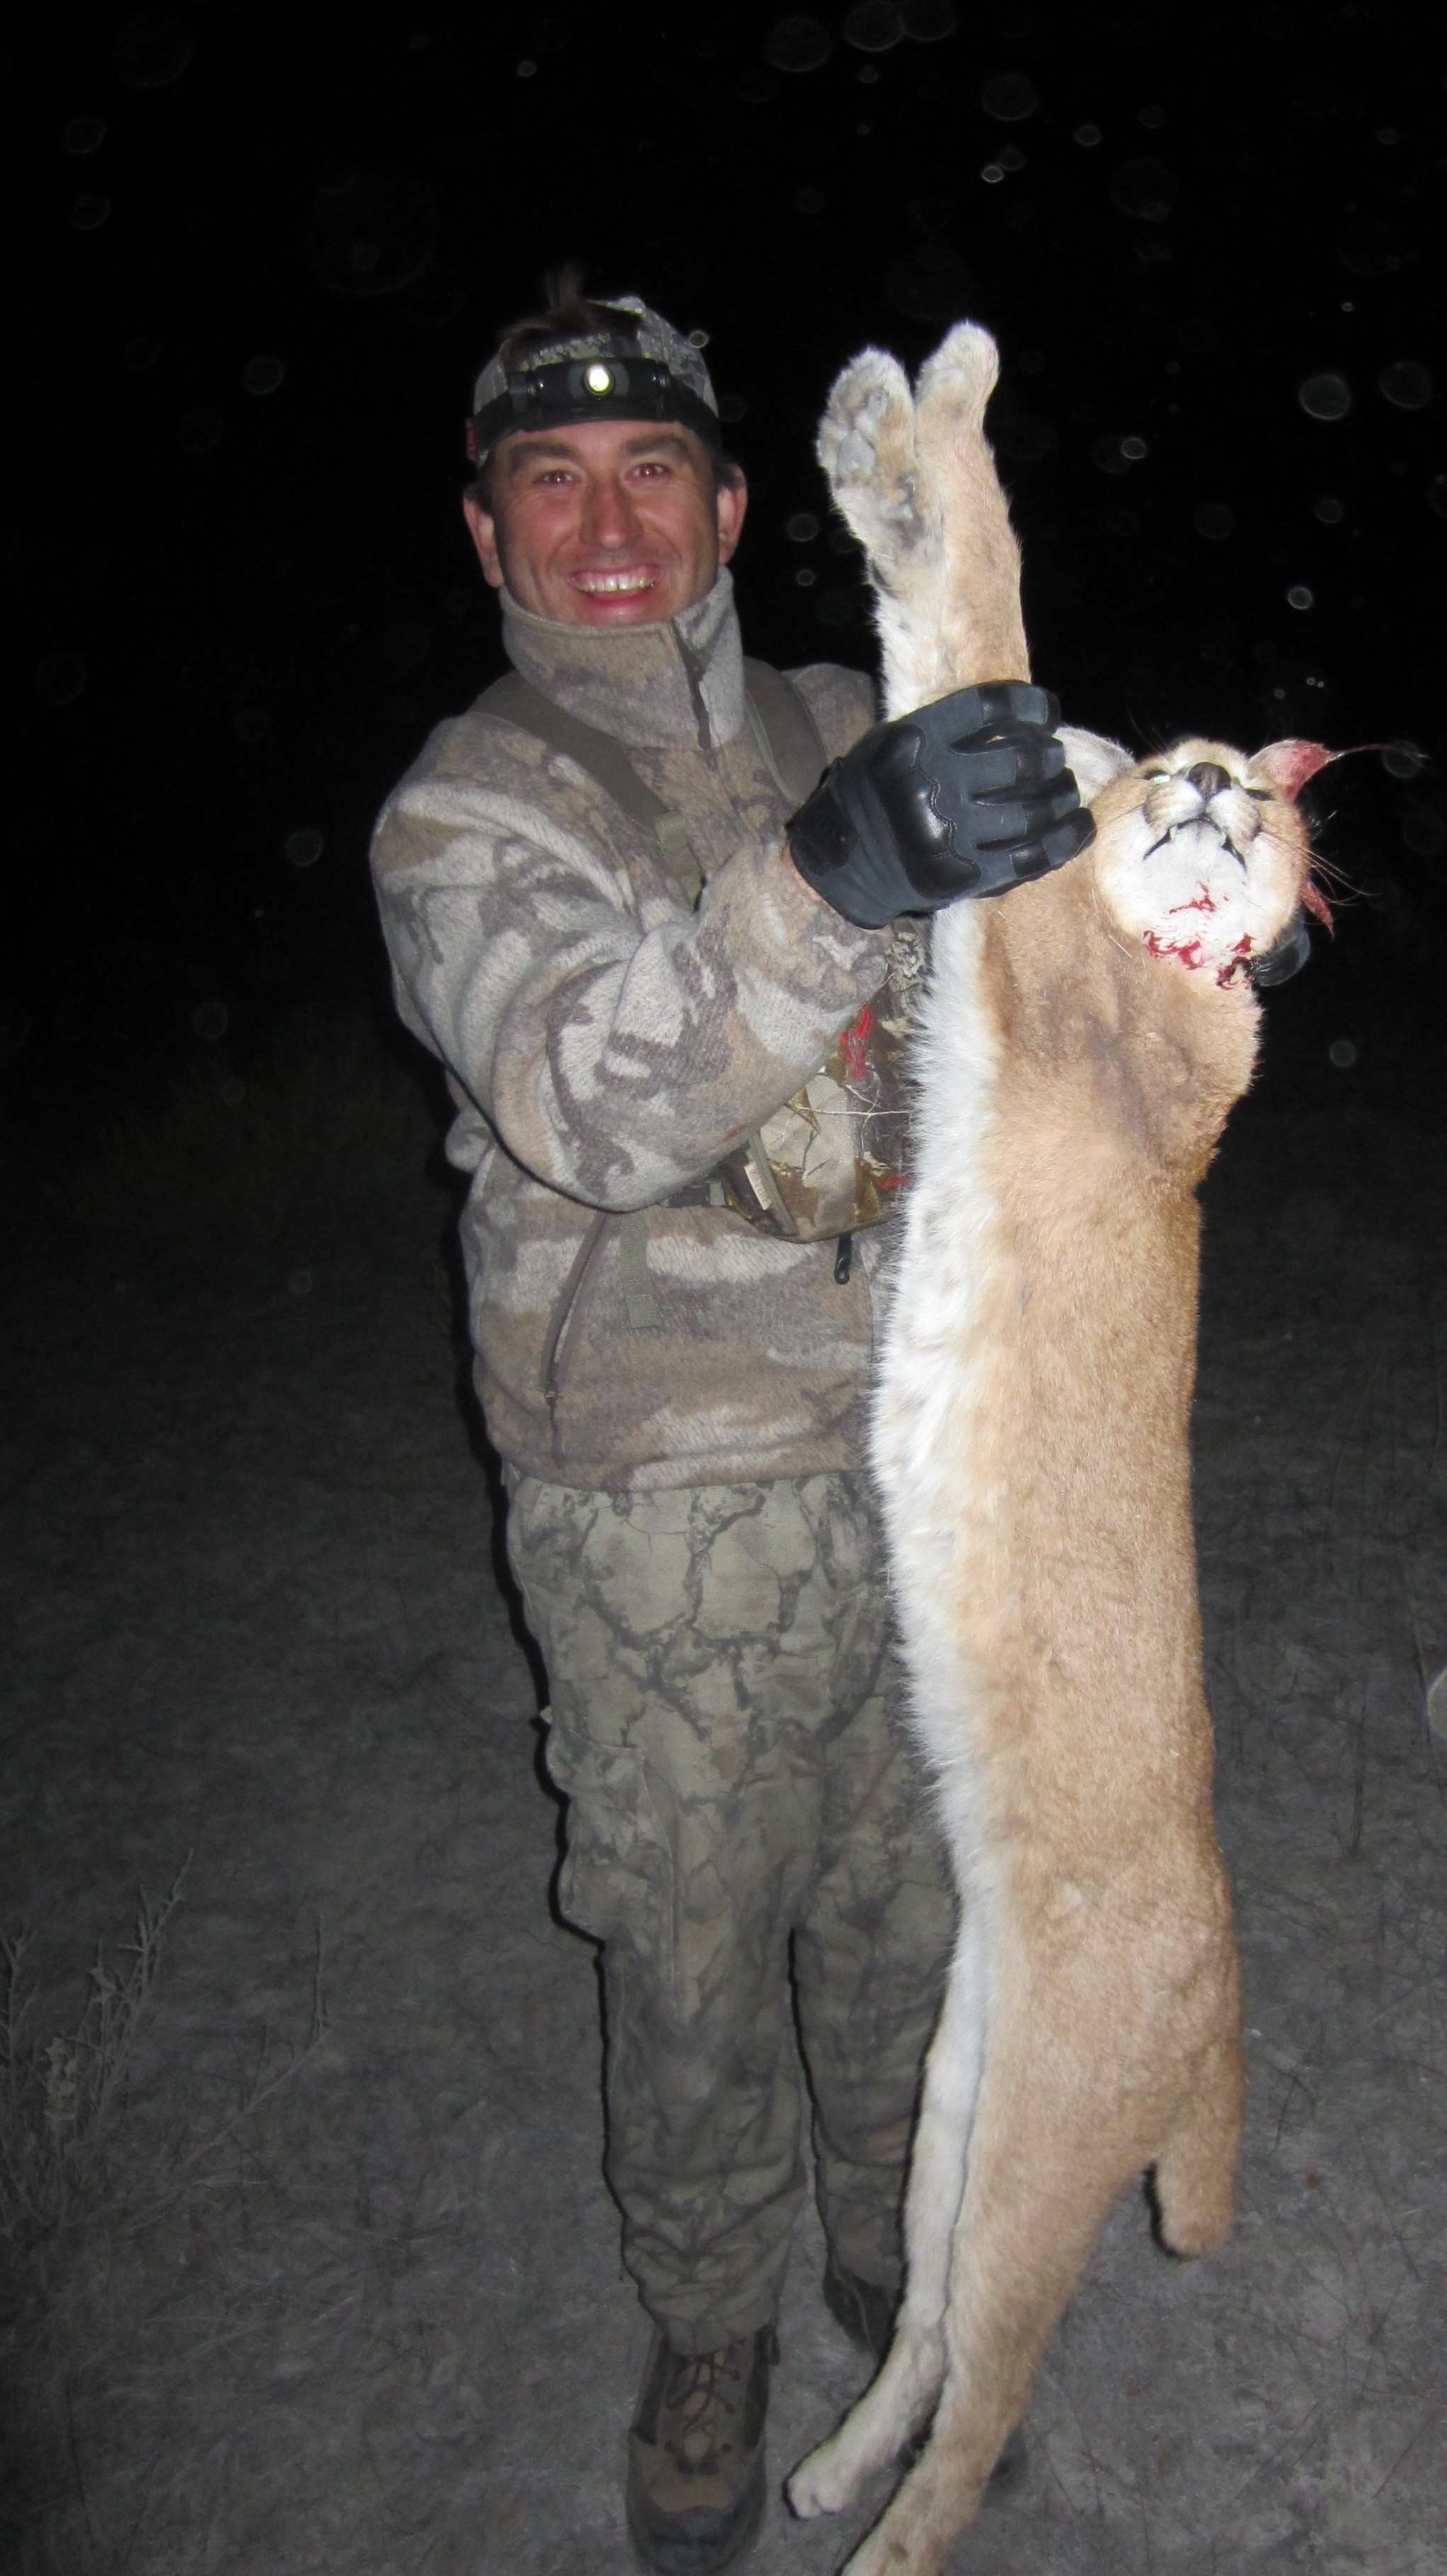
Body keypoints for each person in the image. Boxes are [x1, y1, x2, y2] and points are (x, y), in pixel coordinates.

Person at [369, 272, 1091, 2573]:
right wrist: (836, 873)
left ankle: (889, 2273)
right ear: (486, 535)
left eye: (651, 469)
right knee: (691, 1955)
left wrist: (1197, 897)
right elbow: (589, 1095)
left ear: (731, 505)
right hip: (659, 1511)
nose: (606, 522)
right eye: (549, 484)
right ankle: (708, 2329)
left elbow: (1034, 976)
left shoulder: (826, 716)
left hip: (914, 1468)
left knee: (902, 1918)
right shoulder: (466, 810)